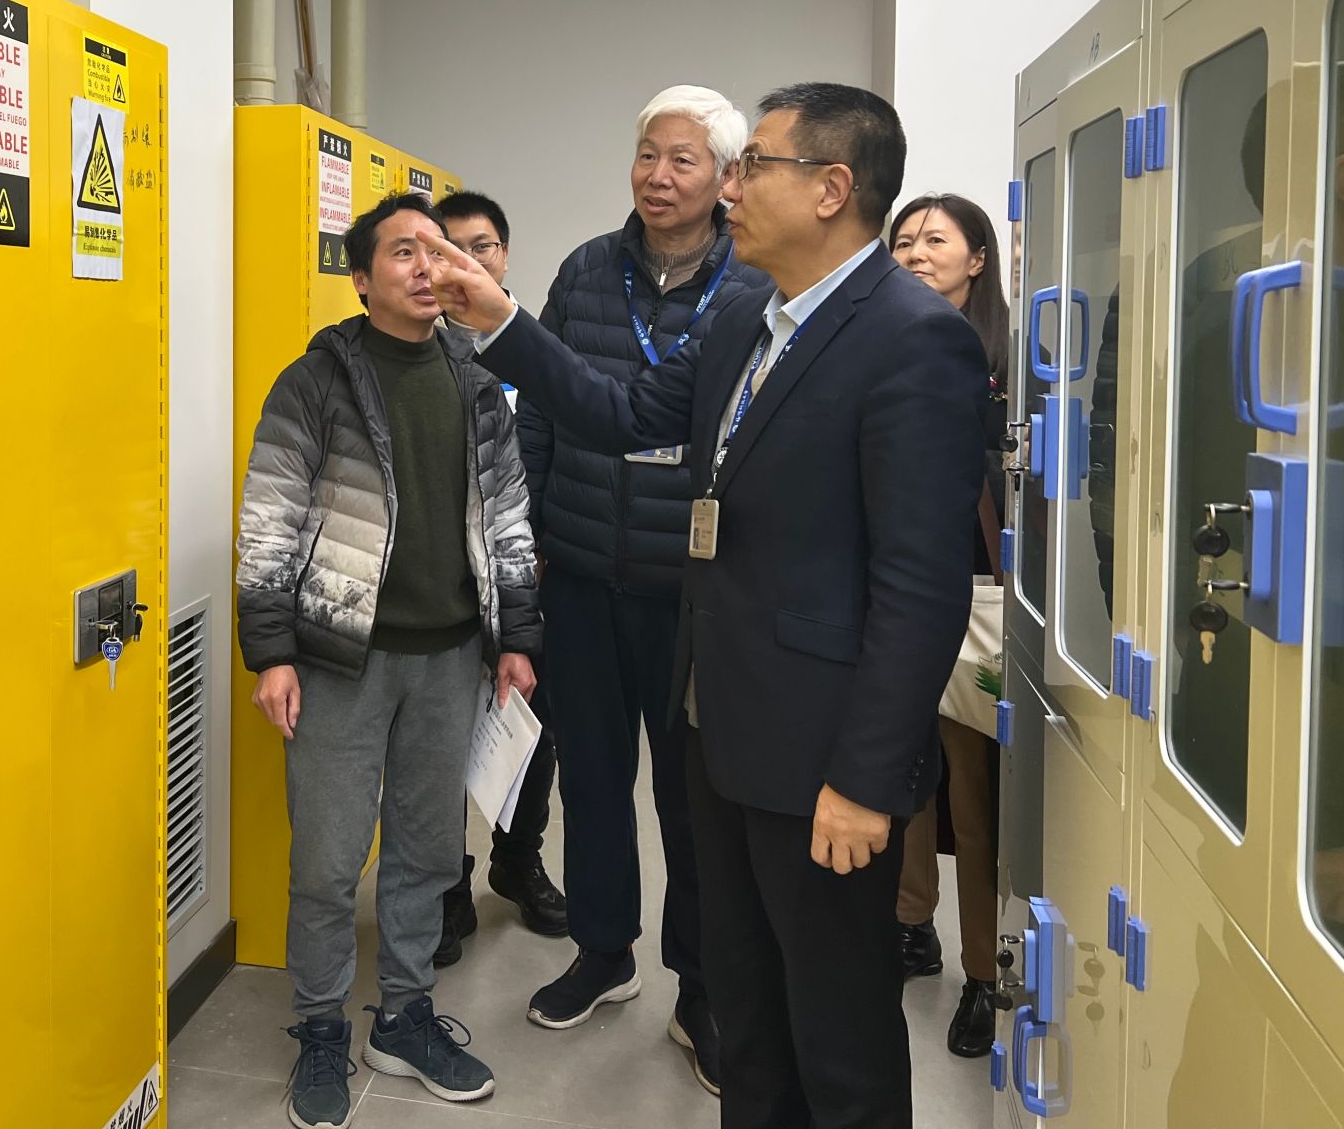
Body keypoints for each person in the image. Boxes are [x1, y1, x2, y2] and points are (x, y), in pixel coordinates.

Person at [422, 83, 985, 1129]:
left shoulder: (911, 339)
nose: (730, 188)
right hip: (721, 730)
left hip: (824, 761)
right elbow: (621, 410)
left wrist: (866, 780)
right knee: (751, 1014)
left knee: (839, 1038)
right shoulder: (745, 322)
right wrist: (499, 319)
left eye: (752, 165)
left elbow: (920, 586)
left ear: (831, 188)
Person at [237, 192, 543, 1129]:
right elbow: (269, 522)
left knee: (425, 854)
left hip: (450, 659)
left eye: (438, 251)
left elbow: (509, 516)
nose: (426, 266)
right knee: (329, 863)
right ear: (361, 277)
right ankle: (321, 1025)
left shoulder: (476, 381)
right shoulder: (315, 382)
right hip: (339, 659)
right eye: (403, 251)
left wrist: (517, 638)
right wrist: (271, 653)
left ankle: (405, 1018)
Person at [495, 88, 762, 1094]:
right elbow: (540, 408)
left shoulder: (751, 289)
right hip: (580, 573)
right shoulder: (583, 271)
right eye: (647, 154)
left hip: (691, 591)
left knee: (692, 799)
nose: (657, 175)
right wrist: (527, 531)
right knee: (594, 780)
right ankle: (603, 952)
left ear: (725, 179)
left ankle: (700, 989)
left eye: (682, 159)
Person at [887, 193, 1009, 1059]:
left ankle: (984, 973)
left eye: (935, 239)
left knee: (974, 798)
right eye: (903, 241)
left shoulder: (1013, 364)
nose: (916, 253)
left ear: (977, 259)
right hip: (894, 596)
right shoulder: (880, 350)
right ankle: (910, 925)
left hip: (977, 600)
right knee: (902, 778)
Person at [433, 190, 567, 960]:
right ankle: (447, 883)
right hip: (445, 585)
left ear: (504, 255)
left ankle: (518, 862)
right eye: (447, 247)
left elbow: (563, 453)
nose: (465, 260)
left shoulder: (535, 348)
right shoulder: (417, 345)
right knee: (440, 736)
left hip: (527, 575)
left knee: (530, 728)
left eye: (479, 245)